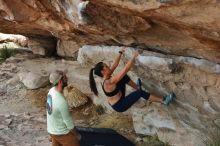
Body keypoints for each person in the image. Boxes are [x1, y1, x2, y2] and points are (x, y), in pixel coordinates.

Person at [89, 47, 175, 112]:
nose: (108, 66)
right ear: (103, 71)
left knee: (123, 78)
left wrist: (120, 52)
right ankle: (164, 100)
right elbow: (125, 69)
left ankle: (137, 87)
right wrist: (134, 56)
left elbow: (115, 64)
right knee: (139, 93)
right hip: (120, 105)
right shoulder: (109, 82)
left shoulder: (106, 75)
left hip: (119, 96)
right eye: (106, 66)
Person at [46, 70, 80, 146]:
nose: (67, 78)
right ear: (60, 82)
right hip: (62, 133)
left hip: (52, 130)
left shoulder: (51, 91)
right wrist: (77, 135)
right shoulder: (61, 101)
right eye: (65, 77)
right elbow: (69, 124)